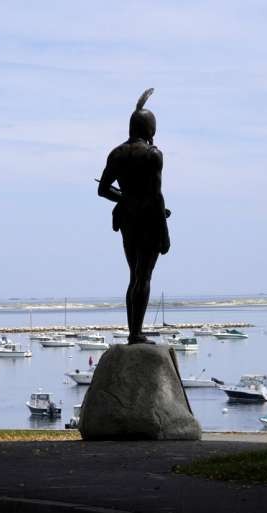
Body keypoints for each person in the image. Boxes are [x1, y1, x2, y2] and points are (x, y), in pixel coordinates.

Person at [98, 88, 171, 345]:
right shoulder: (153, 155)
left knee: (134, 276)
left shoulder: (116, 153)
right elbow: (156, 196)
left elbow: (103, 189)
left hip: (127, 219)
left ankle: (133, 332)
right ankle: (136, 333)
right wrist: (165, 232)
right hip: (149, 220)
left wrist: (126, 199)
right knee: (144, 276)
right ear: (149, 128)